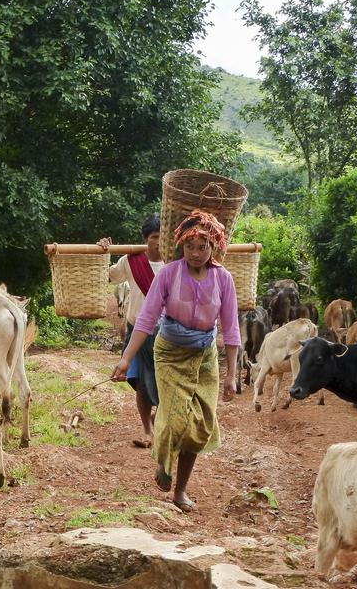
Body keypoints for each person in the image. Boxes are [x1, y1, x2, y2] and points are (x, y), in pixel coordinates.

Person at [111, 209, 240, 513]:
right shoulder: (169, 273)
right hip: (168, 352)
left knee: (202, 425)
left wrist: (232, 374)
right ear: (181, 245)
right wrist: (125, 358)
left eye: (203, 247)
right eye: (190, 246)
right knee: (177, 419)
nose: (196, 253)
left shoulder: (223, 279)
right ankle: (165, 464)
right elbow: (146, 319)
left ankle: (181, 489)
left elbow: (231, 328)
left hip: (204, 356)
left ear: (215, 247)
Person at [98, 214, 164, 449]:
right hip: (136, 328)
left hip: (166, 333)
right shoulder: (131, 260)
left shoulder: (177, 263)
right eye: (154, 237)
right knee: (142, 384)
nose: (158, 242)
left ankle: (161, 421)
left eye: (162, 236)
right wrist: (102, 252)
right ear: (146, 239)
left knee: (167, 383)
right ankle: (147, 431)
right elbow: (107, 276)